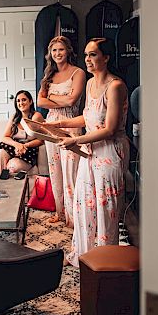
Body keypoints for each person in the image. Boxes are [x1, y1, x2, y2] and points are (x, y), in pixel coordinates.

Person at [45, 38, 130, 267]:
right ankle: (84, 255)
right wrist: (62, 125)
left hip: (109, 152)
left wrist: (77, 140)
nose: (88, 60)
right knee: (84, 204)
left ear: (107, 57)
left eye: (93, 55)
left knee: (105, 209)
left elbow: (110, 128)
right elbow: (89, 117)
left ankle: (106, 262)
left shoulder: (116, 86)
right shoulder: (91, 84)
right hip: (89, 149)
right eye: (86, 55)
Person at [37, 36, 85, 225]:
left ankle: (74, 217)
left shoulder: (78, 73)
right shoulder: (48, 75)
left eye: (61, 50)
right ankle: (60, 213)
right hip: (50, 125)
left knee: (71, 172)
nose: (57, 54)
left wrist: (52, 96)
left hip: (70, 124)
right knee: (55, 170)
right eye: (54, 50)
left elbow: (72, 101)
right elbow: (40, 101)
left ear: (68, 51)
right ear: (50, 54)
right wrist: (61, 97)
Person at [0, 90, 44, 174]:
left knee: (12, 167)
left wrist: (24, 146)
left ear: (30, 101)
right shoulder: (14, 117)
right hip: (13, 147)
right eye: (18, 101)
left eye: (24, 100)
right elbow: (5, 137)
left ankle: (9, 182)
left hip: (29, 150)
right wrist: (17, 145)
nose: (21, 103)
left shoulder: (36, 116)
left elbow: (42, 140)